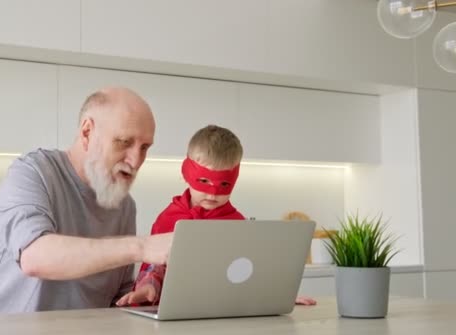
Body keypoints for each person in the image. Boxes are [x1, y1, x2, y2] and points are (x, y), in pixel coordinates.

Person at [0, 87, 173, 315]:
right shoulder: (33, 172)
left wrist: (141, 294)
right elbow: (35, 257)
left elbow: (113, 302)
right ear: (87, 132)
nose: (136, 160)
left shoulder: (124, 206)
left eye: (144, 148)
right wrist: (141, 247)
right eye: (123, 142)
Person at [116, 125, 317, 307]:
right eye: (204, 180)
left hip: (221, 311)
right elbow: (154, 266)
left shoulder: (237, 223)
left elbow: (251, 271)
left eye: (224, 184)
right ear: (187, 173)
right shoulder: (168, 218)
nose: (212, 194)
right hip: (173, 313)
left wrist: (277, 296)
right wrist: (148, 288)